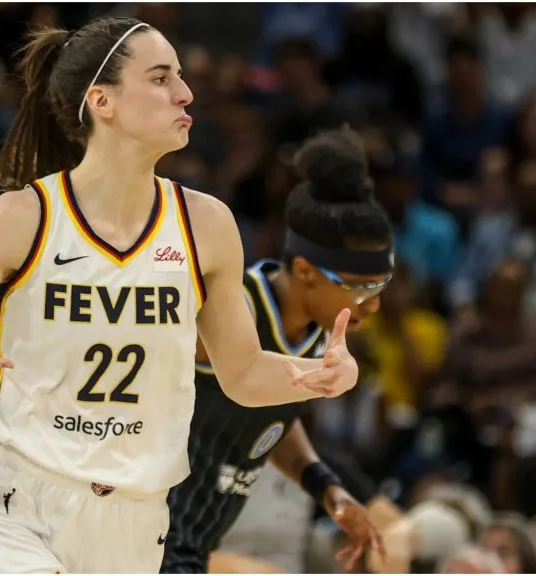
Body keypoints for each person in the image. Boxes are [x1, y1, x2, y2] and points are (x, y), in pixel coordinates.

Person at [0, 16, 360, 574]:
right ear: (102, 101)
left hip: (136, 517)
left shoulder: (207, 225)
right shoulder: (23, 218)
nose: (185, 92)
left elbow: (245, 375)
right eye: (160, 78)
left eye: (179, 76)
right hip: (15, 503)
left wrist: (315, 376)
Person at [163, 129, 392, 573]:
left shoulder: (322, 333)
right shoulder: (232, 309)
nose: (376, 303)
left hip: (193, 544)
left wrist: (326, 487)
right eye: (361, 287)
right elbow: (248, 375)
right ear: (306, 270)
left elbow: (272, 414)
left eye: (381, 285)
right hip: (144, 536)